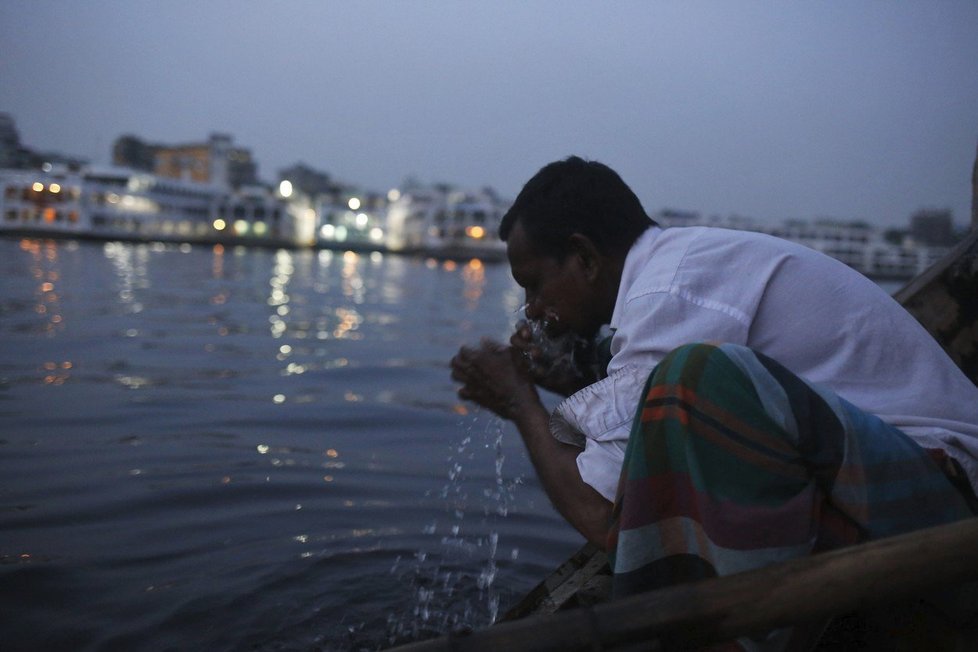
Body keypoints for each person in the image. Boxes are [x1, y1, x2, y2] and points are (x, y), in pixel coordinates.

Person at [450, 156, 978, 608]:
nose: (531, 310)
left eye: (535, 285)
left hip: (949, 493)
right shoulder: (678, 268)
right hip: (918, 473)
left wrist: (521, 405)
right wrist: (563, 390)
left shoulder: (666, 295)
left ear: (585, 257)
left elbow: (609, 516)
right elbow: (652, 439)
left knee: (697, 378)